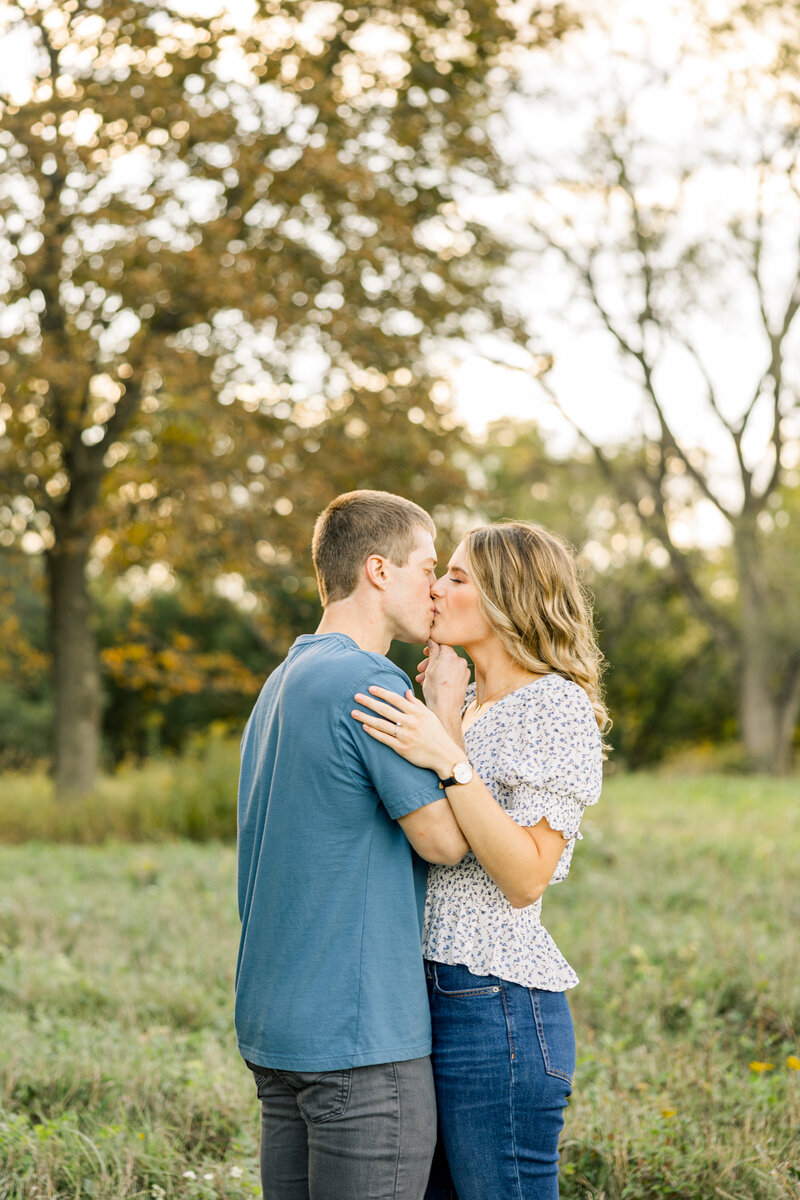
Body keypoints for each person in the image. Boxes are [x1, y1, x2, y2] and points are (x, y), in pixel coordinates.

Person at [351, 521, 607, 1200]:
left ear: (508, 599)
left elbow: (525, 878)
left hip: (498, 1006)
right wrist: (444, 714)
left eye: (458, 578)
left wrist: (449, 757)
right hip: (418, 996)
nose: (437, 587)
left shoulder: (555, 706)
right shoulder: (461, 703)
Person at [234, 489, 469, 1200]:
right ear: (378, 570)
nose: (435, 588)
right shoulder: (369, 681)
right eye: (427, 567)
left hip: (278, 1031)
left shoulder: (283, 681)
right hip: (358, 1040)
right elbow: (446, 844)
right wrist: (446, 717)